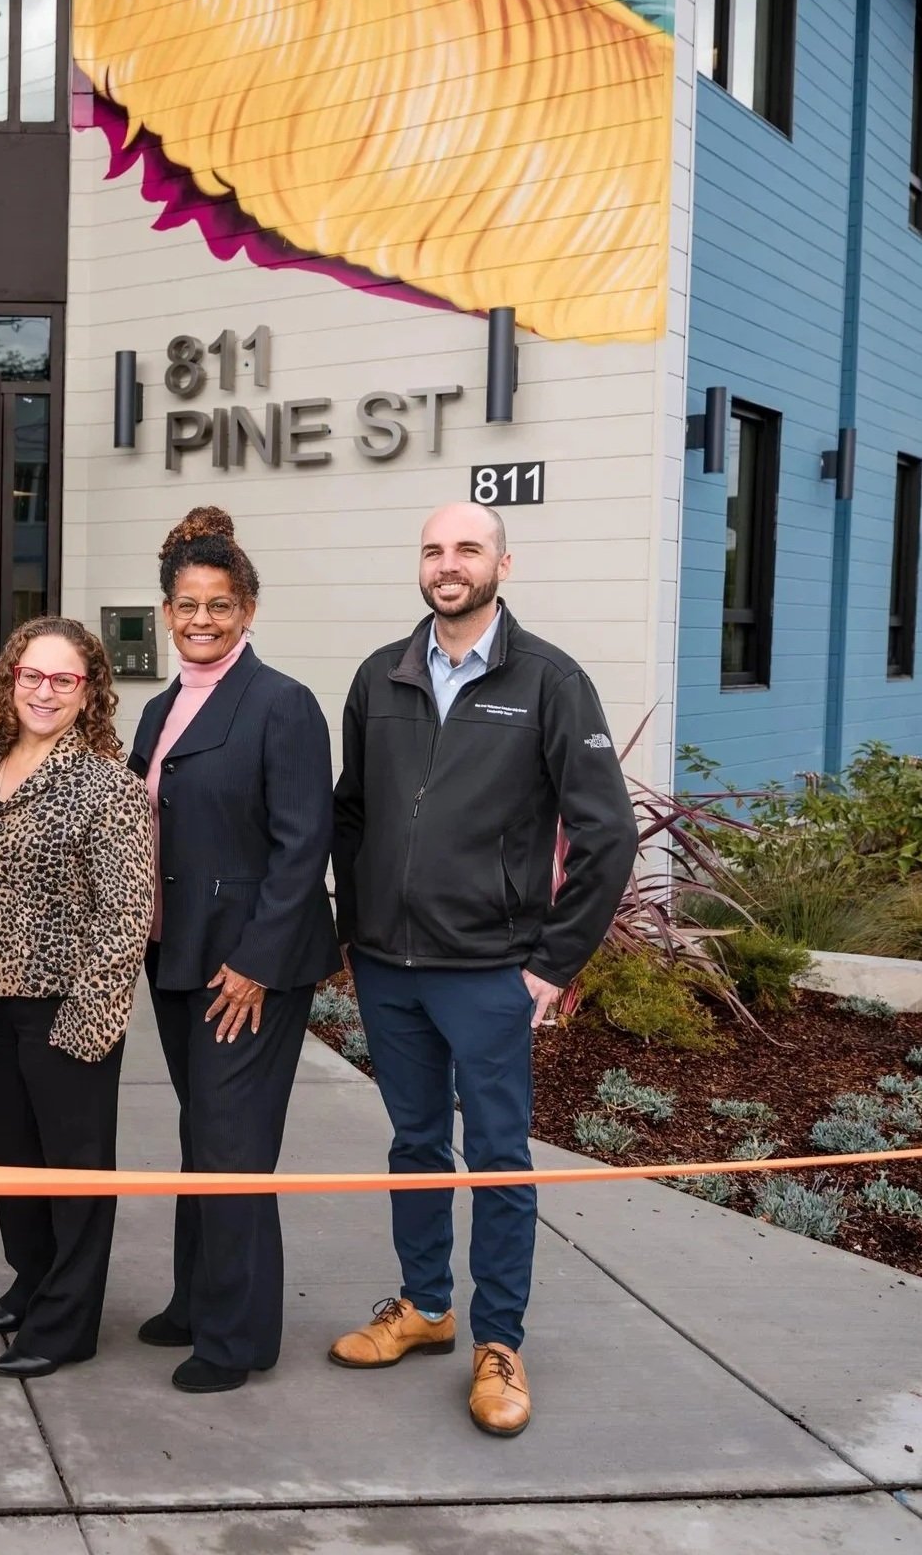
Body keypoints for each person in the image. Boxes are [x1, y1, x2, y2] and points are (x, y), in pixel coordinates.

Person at [329, 502, 636, 1438]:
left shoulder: (548, 681)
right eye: (432, 549)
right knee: (414, 1145)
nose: (447, 564)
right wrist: (359, 924)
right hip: (389, 966)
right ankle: (424, 1307)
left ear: (505, 562)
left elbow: (606, 832)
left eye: (467, 548)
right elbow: (353, 815)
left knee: (499, 1158)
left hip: (489, 969)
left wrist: (550, 965)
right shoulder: (378, 676)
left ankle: (498, 1343)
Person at [127, 509, 340, 1395]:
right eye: (186, 604)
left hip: (247, 968)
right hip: (179, 958)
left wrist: (254, 962)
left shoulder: (280, 703)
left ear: (248, 609)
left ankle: (233, 1338)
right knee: (203, 1136)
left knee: (231, 1146)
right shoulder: (160, 705)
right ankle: (194, 1299)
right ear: (167, 611)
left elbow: (303, 846)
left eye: (219, 604)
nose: (201, 619)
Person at [0, 616, 154, 1379]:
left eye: (64, 679)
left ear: (89, 691)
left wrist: (91, 1019)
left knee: (74, 1167)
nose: (44, 690)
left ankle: (66, 1323)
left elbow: (125, 914)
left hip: (64, 1003)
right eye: (32, 675)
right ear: (9, 680)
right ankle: (31, 1281)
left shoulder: (108, 785)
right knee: (13, 1157)